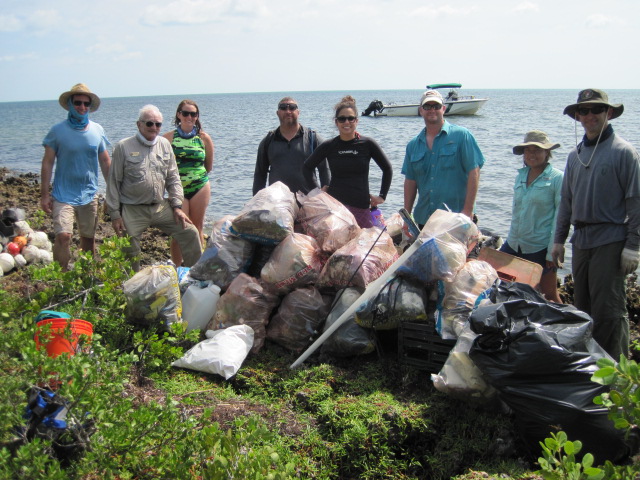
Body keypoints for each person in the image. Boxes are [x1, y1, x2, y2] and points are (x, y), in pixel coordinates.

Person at [552, 88, 640, 360]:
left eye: (596, 110)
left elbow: (635, 202)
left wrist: (633, 246)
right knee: (583, 309)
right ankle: (589, 371)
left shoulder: (623, 152)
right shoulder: (574, 156)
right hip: (581, 242)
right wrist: (558, 240)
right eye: (584, 111)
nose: (589, 116)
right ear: (577, 116)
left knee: (610, 312)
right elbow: (566, 201)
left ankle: (618, 378)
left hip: (611, 241)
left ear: (608, 113)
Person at [106, 105, 201, 271]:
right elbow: (113, 182)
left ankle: (199, 278)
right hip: (132, 208)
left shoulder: (164, 144)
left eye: (158, 124)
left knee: (190, 232)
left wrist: (177, 206)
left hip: (160, 206)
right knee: (130, 249)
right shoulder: (123, 147)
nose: (154, 128)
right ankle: (132, 285)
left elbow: (173, 178)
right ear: (139, 124)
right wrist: (115, 214)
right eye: (150, 124)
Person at [40, 83, 111, 271]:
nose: (82, 107)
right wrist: (44, 195)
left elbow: (105, 161)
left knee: (88, 238)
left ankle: (86, 275)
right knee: (63, 236)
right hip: (63, 194)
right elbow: (47, 163)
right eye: (78, 103)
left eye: (86, 104)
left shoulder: (97, 130)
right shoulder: (57, 131)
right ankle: (61, 276)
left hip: (89, 193)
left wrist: (113, 192)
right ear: (70, 104)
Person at [303, 95, 393, 228]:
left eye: (351, 118)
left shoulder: (367, 144)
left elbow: (387, 169)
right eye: (342, 119)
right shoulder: (329, 145)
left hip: (361, 206)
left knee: (362, 246)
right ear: (336, 122)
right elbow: (307, 167)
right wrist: (317, 193)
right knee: (335, 247)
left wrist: (382, 196)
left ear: (356, 121)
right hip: (335, 208)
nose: (346, 122)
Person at [402, 89, 485, 228]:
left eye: (436, 106)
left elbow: (474, 171)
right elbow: (410, 181)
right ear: (421, 110)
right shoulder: (413, 145)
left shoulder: (462, 136)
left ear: (444, 109)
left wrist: (467, 211)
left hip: (457, 218)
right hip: (424, 219)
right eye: (427, 106)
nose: (432, 110)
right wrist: (407, 217)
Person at [501, 131, 563, 303]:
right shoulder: (521, 175)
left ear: (547, 153)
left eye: (537, 150)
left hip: (539, 248)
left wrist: (552, 251)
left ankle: (572, 325)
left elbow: (561, 217)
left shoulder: (558, 178)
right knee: (497, 281)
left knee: (549, 294)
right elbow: (517, 212)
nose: (531, 154)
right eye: (527, 150)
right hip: (514, 243)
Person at [163, 100, 214, 266]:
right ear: (179, 115)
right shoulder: (168, 138)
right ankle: (177, 269)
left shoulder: (204, 138)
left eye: (193, 114)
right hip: (178, 189)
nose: (189, 117)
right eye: (186, 113)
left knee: (197, 228)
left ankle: (197, 269)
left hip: (200, 186)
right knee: (180, 231)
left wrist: (195, 176)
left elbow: (208, 166)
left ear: (197, 117)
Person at [253, 97, 330, 195]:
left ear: (298, 112)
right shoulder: (268, 141)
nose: (288, 111)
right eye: (283, 108)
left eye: (292, 108)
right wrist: (256, 203)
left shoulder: (312, 138)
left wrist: (326, 198)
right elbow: (260, 175)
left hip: (309, 201)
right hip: (278, 202)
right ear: (277, 113)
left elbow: (325, 170)